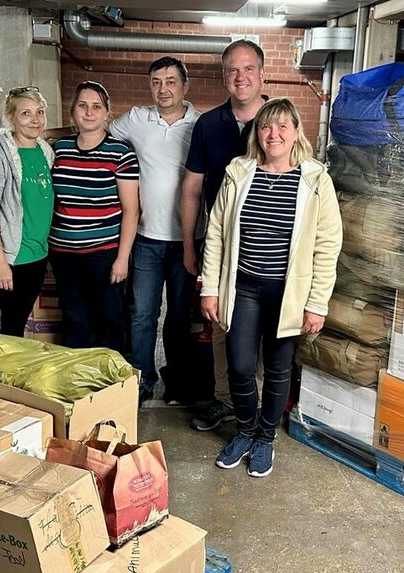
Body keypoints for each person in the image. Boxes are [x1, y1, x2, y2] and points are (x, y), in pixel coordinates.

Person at [200, 98, 342, 477]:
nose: (273, 134)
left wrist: (318, 304)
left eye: (282, 126)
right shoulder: (239, 172)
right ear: (257, 133)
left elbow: (328, 246)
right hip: (243, 286)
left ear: (296, 132)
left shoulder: (315, 181)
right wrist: (209, 288)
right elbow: (216, 233)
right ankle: (245, 431)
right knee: (241, 365)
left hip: (287, 292)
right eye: (266, 126)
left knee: (279, 369)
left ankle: (265, 439)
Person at [181, 39, 267, 431]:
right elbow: (192, 189)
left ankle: (261, 403)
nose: (240, 76)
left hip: (268, 244)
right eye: (233, 69)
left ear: (262, 73)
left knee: (264, 327)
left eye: (248, 68)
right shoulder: (208, 124)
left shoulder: (279, 121)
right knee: (218, 321)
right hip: (220, 242)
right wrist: (189, 244)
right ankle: (223, 399)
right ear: (224, 77)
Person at [110, 57, 201, 405]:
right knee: (143, 314)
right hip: (146, 238)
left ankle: (176, 381)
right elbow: (99, 136)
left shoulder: (200, 125)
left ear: (184, 85)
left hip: (187, 240)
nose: (163, 88)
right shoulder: (135, 119)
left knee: (180, 317)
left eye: (171, 81)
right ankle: (142, 378)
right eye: (156, 82)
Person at [49, 81, 139, 354]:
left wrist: (122, 259)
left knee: (109, 321)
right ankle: (79, 387)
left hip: (104, 253)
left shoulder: (121, 154)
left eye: (96, 107)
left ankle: (113, 389)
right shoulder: (58, 149)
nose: (89, 112)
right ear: (73, 111)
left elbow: (131, 210)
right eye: (82, 105)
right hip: (64, 253)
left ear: (107, 113)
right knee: (75, 321)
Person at [0, 86, 54, 337]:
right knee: (13, 325)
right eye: (26, 113)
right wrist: (0, 263)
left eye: (39, 112)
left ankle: (7, 370)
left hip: (37, 253)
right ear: (11, 118)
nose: (35, 120)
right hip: (11, 256)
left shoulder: (45, 151)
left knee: (16, 322)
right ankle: (1, 375)